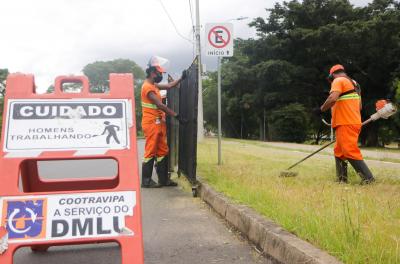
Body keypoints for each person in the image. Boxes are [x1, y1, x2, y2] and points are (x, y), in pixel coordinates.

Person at [318, 64, 375, 184]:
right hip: (351, 121)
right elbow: (359, 106)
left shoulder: (338, 80)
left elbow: (333, 98)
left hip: (345, 122)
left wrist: (321, 109)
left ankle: (369, 179)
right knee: (339, 151)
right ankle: (341, 180)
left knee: (349, 150)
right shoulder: (355, 84)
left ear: (332, 75)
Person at [141, 56, 187, 188]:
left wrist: (181, 78)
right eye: (159, 73)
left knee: (162, 150)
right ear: (151, 72)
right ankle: (146, 180)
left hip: (158, 123)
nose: (161, 75)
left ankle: (164, 180)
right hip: (151, 123)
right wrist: (176, 116)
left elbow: (168, 85)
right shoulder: (147, 87)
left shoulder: (153, 85)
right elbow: (160, 105)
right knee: (150, 151)